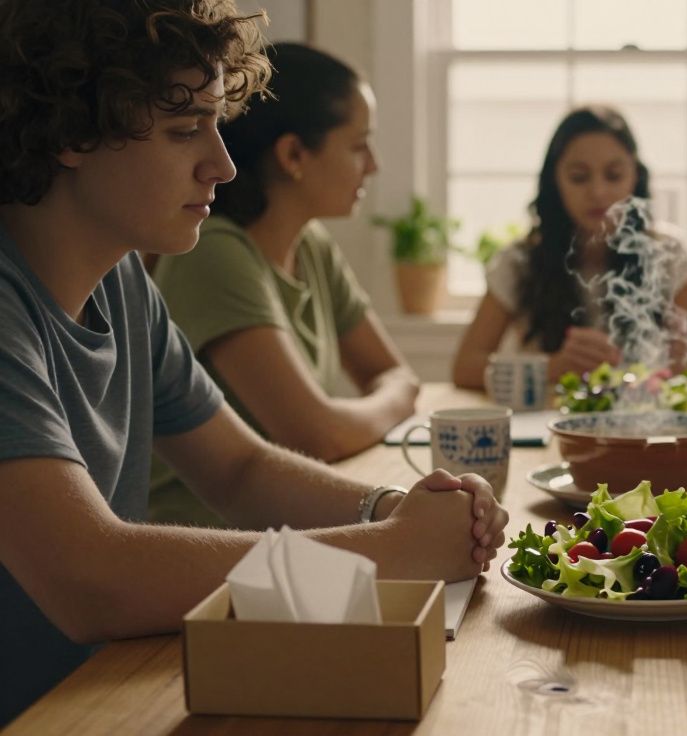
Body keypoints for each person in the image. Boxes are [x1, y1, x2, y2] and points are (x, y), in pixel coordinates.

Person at [0, 0, 507, 725]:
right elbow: (89, 577)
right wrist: (392, 549)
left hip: (106, 689)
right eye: (185, 130)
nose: (224, 164)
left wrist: (392, 508)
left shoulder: (122, 283)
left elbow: (239, 469)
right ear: (73, 132)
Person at [150, 42, 418, 525]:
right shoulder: (212, 253)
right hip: (213, 544)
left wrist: (372, 406)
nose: (373, 165)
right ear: (293, 154)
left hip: (284, 530)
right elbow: (318, 436)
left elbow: (392, 374)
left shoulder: (310, 244)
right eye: (358, 145)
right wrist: (391, 402)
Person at [451, 105, 687, 389]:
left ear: (635, 178)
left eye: (614, 175)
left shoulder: (666, 255)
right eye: (579, 177)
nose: (598, 192)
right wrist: (552, 367)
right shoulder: (519, 261)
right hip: (547, 414)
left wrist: (632, 376)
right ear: (554, 181)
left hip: (641, 414)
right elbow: (465, 367)